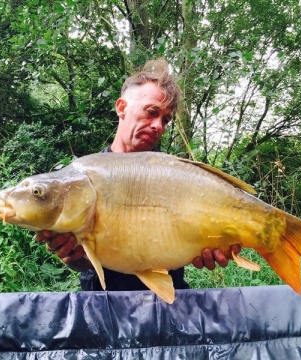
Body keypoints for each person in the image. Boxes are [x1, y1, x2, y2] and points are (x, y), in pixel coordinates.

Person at [35, 59, 241, 291]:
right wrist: (71, 254)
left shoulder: (177, 177)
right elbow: (81, 260)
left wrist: (213, 247)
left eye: (165, 120)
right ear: (122, 107)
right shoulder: (83, 177)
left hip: (167, 302)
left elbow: (193, 241)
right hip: (103, 303)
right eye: (151, 112)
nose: (158, 126)